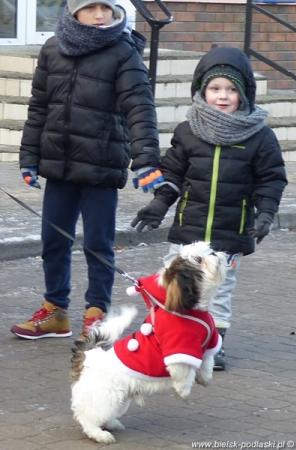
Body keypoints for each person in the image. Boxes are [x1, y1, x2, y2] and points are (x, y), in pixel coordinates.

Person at [11, 0, 162, 340]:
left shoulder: (123, 52)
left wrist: (146, 159)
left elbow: (140, 107)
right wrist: (29, 157)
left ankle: (96, 315)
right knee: (53, 240)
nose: (99, 15)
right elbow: (39, 107)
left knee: (97, 243)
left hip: (100, 166)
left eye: (105, 8)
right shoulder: (53, 49)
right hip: (59, 166)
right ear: (73, 10)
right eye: (90, 7)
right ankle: (55, 312)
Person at [131, 46, 287, 370]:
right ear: (202, 91)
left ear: (244, 94)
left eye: (231, 90)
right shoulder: (188, 131)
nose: (222, 96)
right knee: (173, 285)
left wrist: (266, 214)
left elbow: (271, 180)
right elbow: (173, 173)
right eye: (215, 88)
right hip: (188, 229)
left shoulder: (260, 136)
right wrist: (159, 204)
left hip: (230, 233)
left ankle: (213, 346)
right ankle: (169, 337)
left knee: (218, 292)